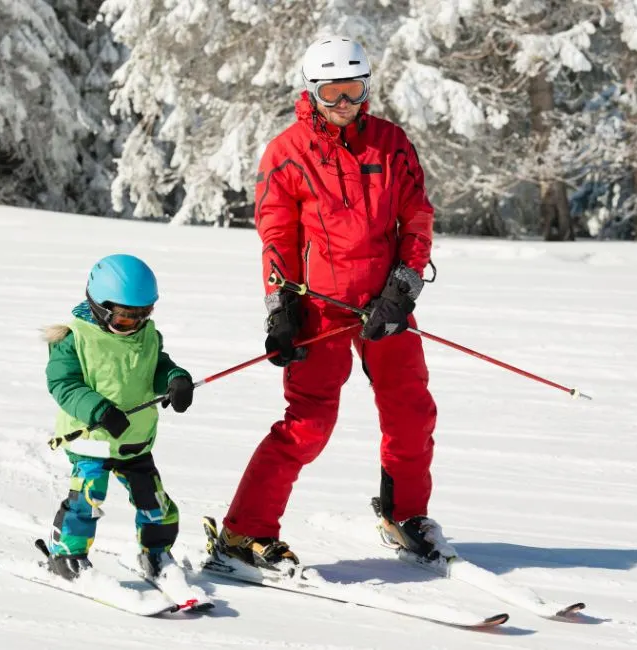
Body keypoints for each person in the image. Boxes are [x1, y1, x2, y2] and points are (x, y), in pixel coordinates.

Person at [217, 36, 455, 569]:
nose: (343, 104)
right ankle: (243, 532)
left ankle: (406, 515)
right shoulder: (288, 151)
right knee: (308, 424)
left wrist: (402, 289)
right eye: (332, 93)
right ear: (312, 92)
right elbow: (276, 236)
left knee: (412, 412)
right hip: (319, 308)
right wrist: (281, 309)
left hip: (385, 308)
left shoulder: (391, 144)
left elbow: (416, 218)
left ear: (366, 89)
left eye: (352, 91)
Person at [42, 253, 195, 581]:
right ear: (98, 306)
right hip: (91, 441)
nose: (135, 326)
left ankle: (157, 555)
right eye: (125, 319)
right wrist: (98, 409)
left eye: (143, 316)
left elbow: (157, 365)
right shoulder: (73, 339)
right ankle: (67, 555)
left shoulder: (147, 335)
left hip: (134, 442)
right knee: (87, 499)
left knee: (156, 504)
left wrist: (175, 380)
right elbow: (63, 384)